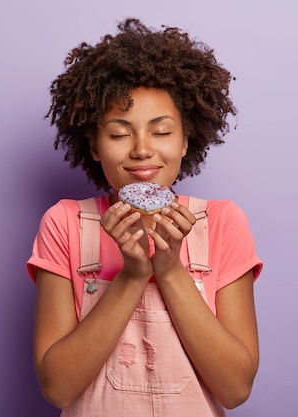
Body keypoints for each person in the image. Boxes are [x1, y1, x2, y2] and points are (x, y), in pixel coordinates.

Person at [26, 18, 263, 416]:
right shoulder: (64, 222)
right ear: (95, 146)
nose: (141, 150)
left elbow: (235, 389)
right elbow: (58, 388)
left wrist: (170, 271)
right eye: (119, 134)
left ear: (186, 140)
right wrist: (133, 274)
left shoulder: (223, 222)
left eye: (161, 132)